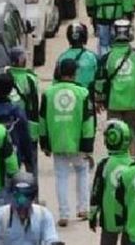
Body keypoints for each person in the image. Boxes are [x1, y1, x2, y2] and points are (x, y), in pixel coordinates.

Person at [40, 58, 97, 227]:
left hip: (57, 141)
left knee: (61, 177)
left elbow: (42, 120)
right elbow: (88, 121)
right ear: (75, 73)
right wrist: (88, 145)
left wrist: (44, 143)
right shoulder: (83, 93)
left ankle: (64, 213)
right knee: (82, 172)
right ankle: (83, 208)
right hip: (78, 142)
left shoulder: (49, 93)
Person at [88, 120, 134, 245]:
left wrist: (92, 215)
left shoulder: (105, 165)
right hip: (130, 216)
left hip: (109, 215)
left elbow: (96, 191)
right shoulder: (133, 164)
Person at [95, 19, 135, 139]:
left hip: (113, 103)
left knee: (114, 136)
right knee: (132, 135)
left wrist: (99, 100)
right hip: (133, 103)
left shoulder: (107, 57)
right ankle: (131, 156)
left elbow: (100, 82)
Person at [0, 71, 36, 175]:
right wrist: (29, 160)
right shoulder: (18, 112)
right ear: (11, 90)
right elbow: (25, 138)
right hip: (14, 157)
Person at [7, 46, 41, 169]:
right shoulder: (30, 78)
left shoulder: (5, 75)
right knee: (31, 163)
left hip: (9, 125)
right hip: (28, 124)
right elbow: (34, 105)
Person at [55, 22, 101, 93]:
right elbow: (99, 81)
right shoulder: (92, 57)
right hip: (87, 98)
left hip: (68, 98)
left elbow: (55, 83)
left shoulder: (62, 58)